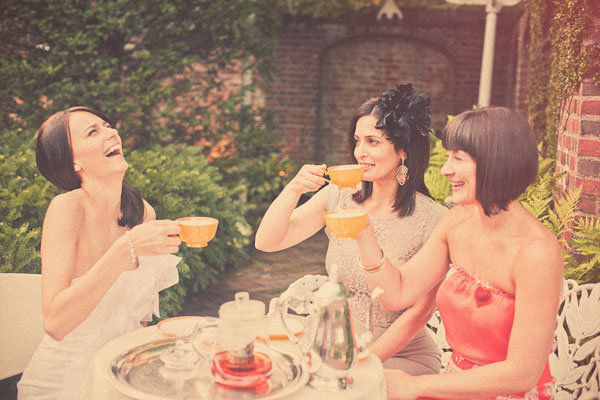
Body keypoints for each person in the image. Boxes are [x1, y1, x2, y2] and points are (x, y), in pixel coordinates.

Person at [358, 106, 562, 399]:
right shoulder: (457, 220)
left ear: (495, 163)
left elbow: (522, 373)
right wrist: (363, 232)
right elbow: (396, 294)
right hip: (453, 385)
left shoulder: (537, 253)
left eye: (458, 158)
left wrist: (415, 385)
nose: (445, 169)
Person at [255, 84, 448, 375]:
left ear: (404, 151)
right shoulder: (339, 196)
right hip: (336, 347)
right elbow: (267, 242)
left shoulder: (435, 219)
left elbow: (418, 314)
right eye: (357, 141)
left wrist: (361, 363)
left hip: (398, 358)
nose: (360, 152)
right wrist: (294, 188)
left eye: (373, 142)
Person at [18, 107, 183, 400]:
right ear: (73, 162)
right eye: (93, 132)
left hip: (124, 375)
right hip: (65, 383)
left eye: (107, 126)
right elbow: (55, 323)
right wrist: (125, 249)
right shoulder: (67, 208)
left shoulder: (142, 212)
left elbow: (140, 315)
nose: (112, 132)